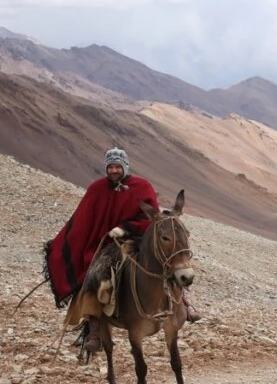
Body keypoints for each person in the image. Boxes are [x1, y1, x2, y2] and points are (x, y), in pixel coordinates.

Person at [43, 147, 201, 355]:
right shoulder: (97, 189)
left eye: (118, 166)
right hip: (108, 244)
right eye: (111, 167)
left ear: (125, 167)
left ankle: (184, 304)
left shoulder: (142, 186)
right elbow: (83, 219)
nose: (114, 170)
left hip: (138, 239)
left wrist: (124, 228)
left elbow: (150, 217)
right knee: (95, 274)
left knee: (165, 262)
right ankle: (95, 328)